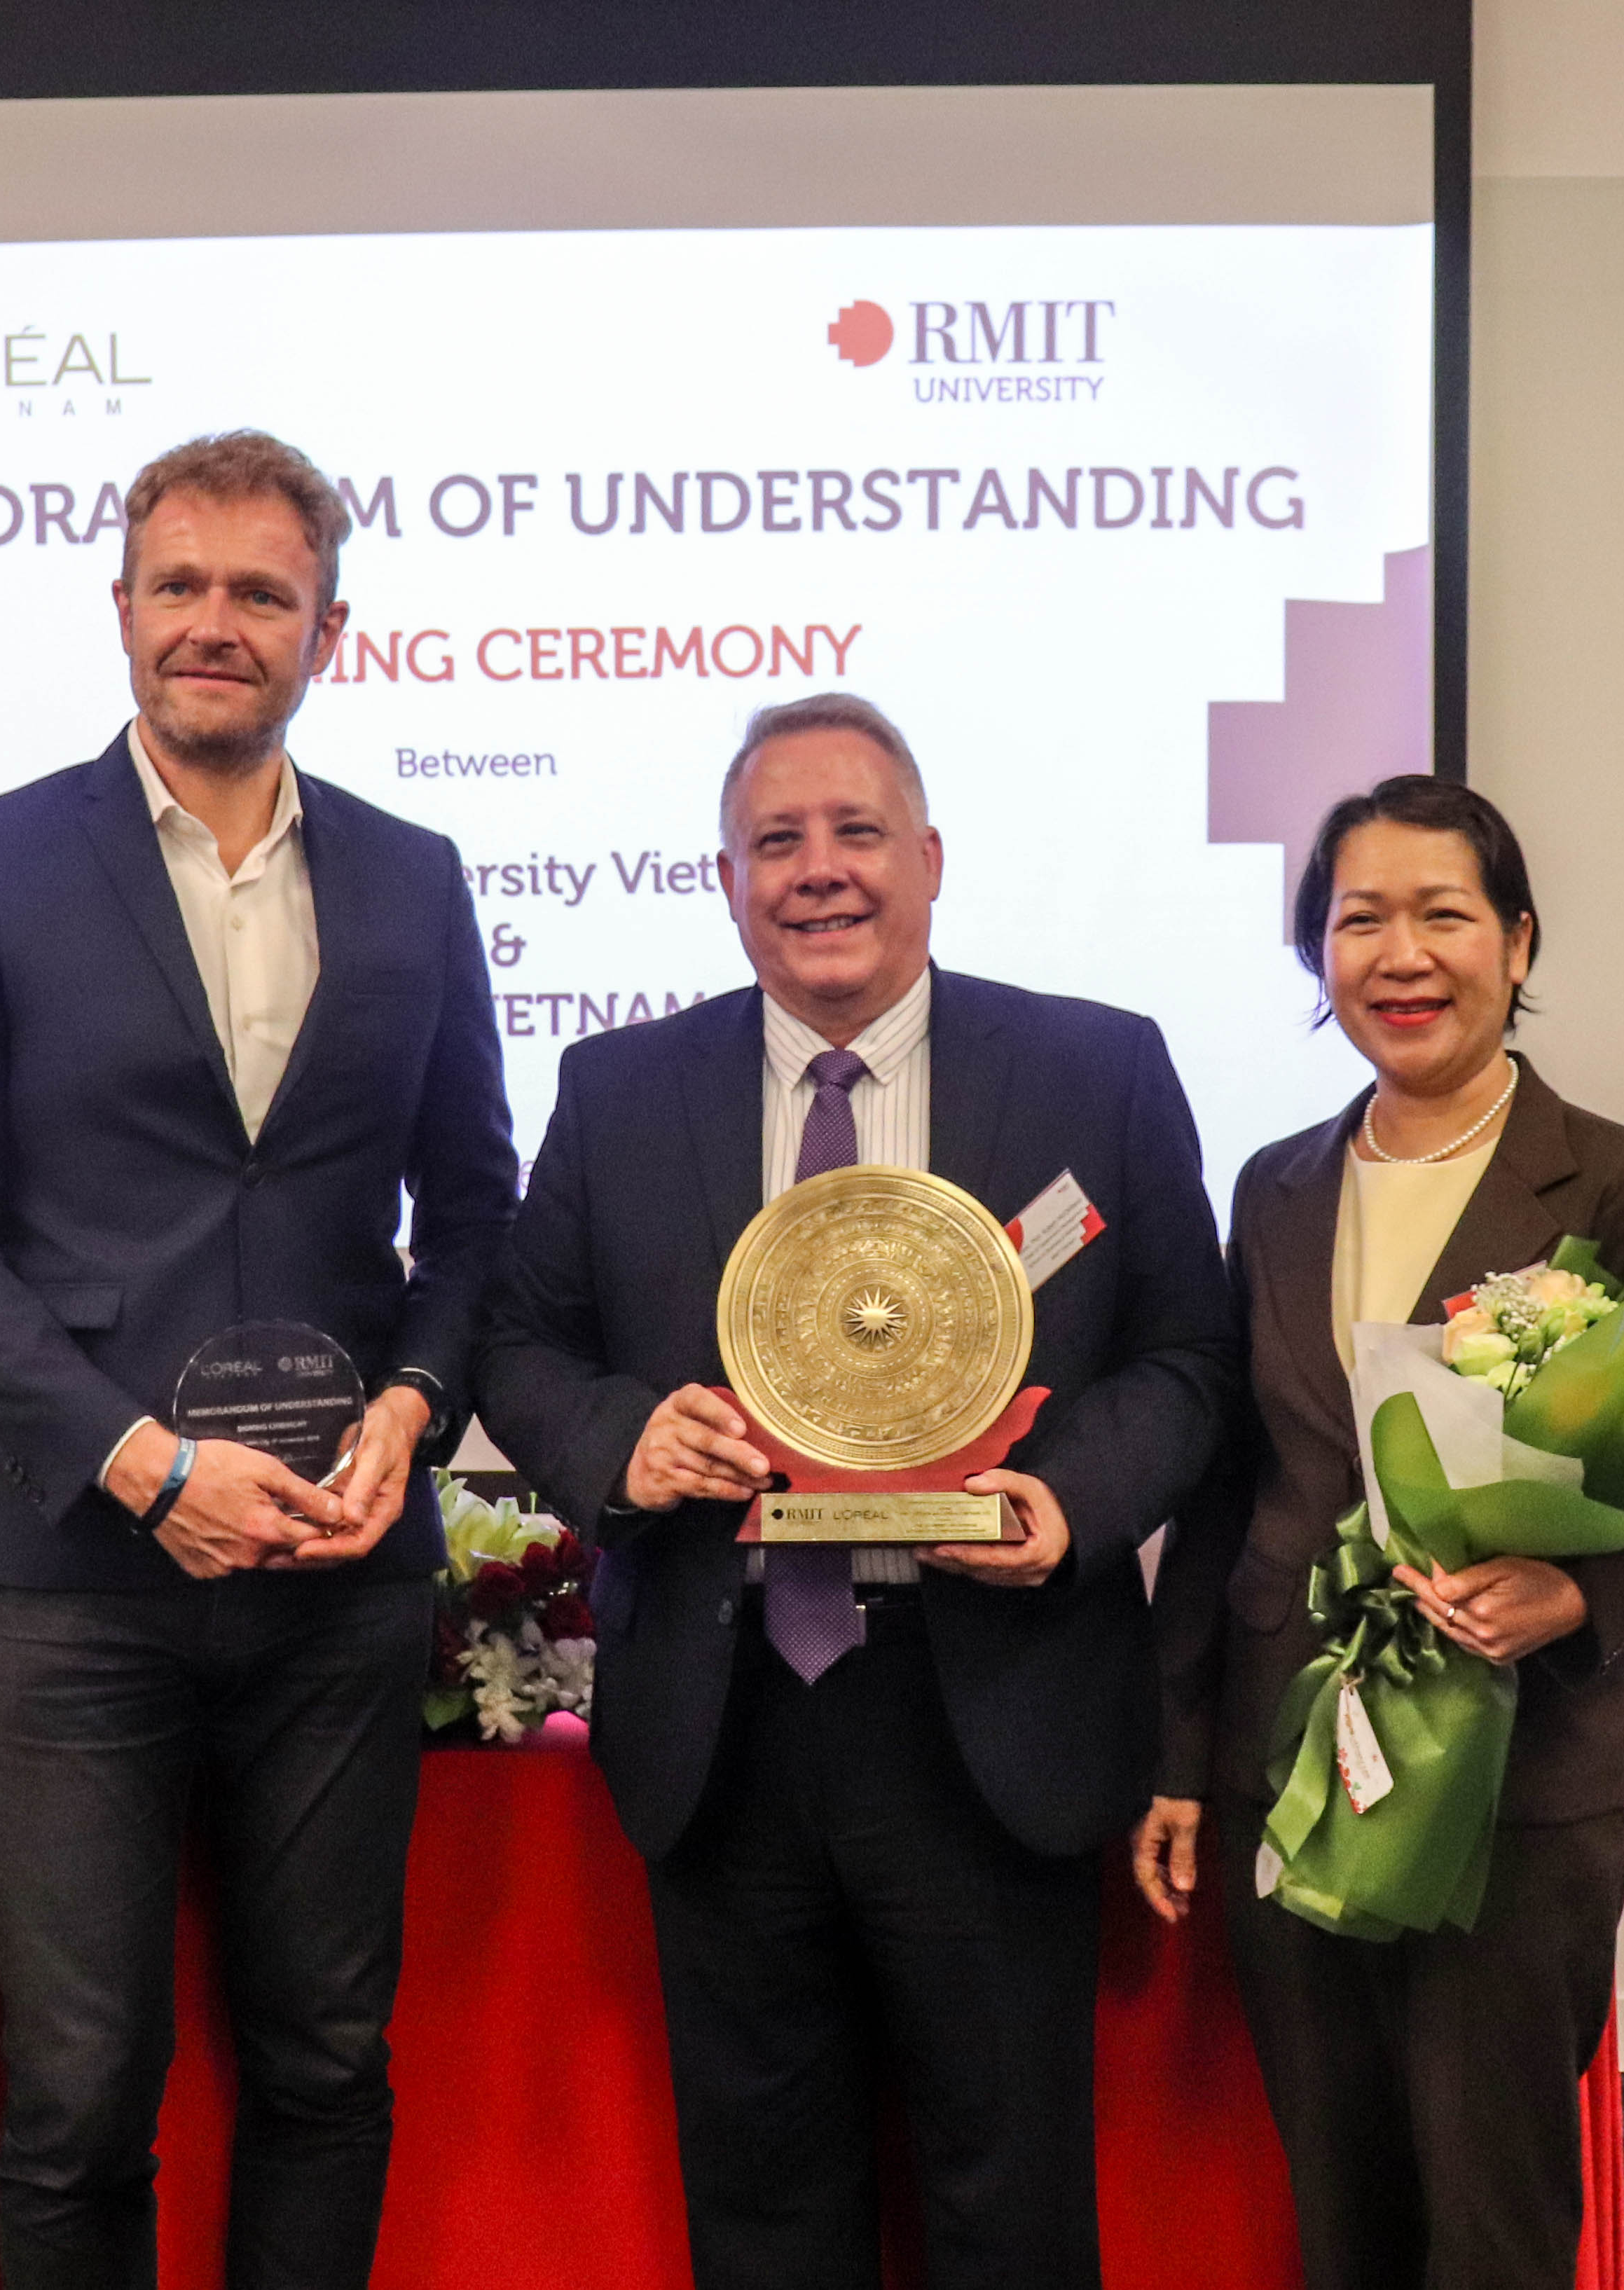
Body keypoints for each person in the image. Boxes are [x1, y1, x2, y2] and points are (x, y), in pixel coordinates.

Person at [0, 429, 518, 2290]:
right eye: (181, 584)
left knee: (323, 2056)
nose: (214, 623)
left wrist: (409, 1411)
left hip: (331, 1572)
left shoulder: (410, 875)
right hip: (66, 1580)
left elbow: (473, 1210)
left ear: (329, 628)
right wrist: (147, 1462)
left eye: (259, 592)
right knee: (78, 2086)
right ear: (123, 607)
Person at [476, 694, 1237, 2290]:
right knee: (761, 2209)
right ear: (726, 879)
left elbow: (1187, 1355)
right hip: (725, 1715)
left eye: (856, 833)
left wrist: (1071, 1506)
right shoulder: (620, 1091)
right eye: (777, 841)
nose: (819, 873)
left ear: (932, 859)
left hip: (988, 1715)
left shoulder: (1092, 1071)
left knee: (1005, 2199)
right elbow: (522, 1341)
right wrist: (620, 1441)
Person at [1142, 774, 1624, 2290]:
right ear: (1317, 958)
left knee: (1495, 2214)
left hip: (1516, 1769)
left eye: (1441, 915)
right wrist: (1181, 1759)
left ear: (1517, 944)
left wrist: (1579, 1591)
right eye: (1359, 920)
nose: (1399, 955)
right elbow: (1229, 1489)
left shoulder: (1614, 1178)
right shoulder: (1274, 1188)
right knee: (1340, 2203)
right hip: (1299, 1765)